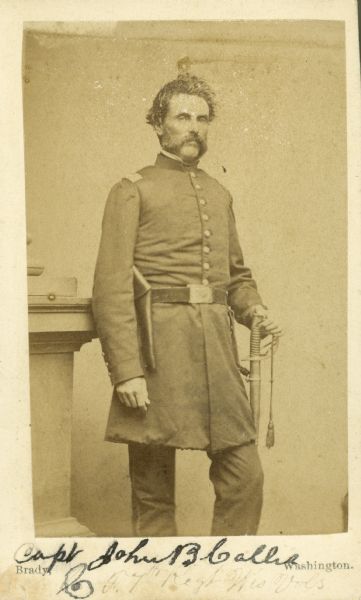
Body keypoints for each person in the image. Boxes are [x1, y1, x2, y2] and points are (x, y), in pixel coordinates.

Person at [92, 73, 282, 537]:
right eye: (182, 117)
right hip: (157, 354)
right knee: (153, 494)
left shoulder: (219, 193)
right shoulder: (131, 188)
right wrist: (126, 371)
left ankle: (224, 577)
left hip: (216, 354)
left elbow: (236, 277)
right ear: (159, 126)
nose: (193, 127)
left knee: (244, 478)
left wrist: (253, 308)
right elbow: (111, 288)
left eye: (202, 118)